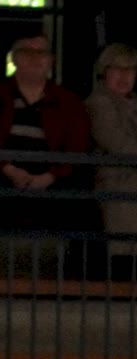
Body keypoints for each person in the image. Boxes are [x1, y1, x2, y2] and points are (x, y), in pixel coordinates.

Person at [0, 30, 91, 253]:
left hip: (52, 190)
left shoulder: (68, 102)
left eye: (41, 53)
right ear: (13, 58)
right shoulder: (1, 94)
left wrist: (49, 177)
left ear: (51, 60)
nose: (35, 58)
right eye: (26, 52)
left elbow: (76, 148)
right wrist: (8, 169)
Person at [86, 41, 137, 265]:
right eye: (118, 69)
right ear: (104, 71)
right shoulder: (99, 103)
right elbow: (116, 143)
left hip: (136, 172)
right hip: (114, 177)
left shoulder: (135, 104)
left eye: (131, 69)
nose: (125, 76)